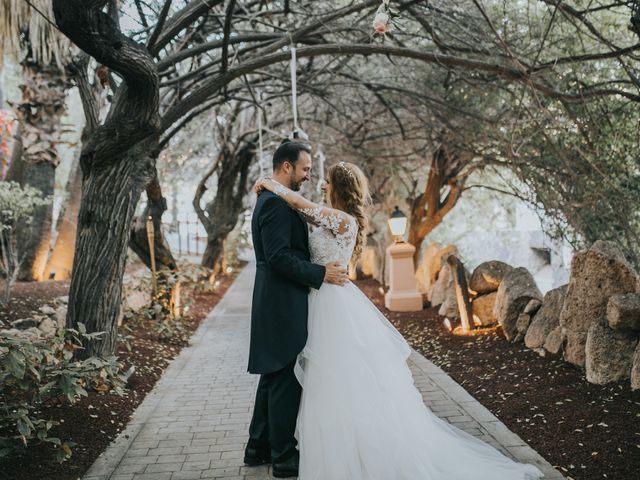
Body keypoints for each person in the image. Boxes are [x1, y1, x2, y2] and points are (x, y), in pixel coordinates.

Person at [252, 161, 545, 480]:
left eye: (326, 182)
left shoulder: (342, 220)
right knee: (326, 375)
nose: (321, 185)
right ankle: (328, 442)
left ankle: (349, 448)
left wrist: (268, 183)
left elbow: (299, 203)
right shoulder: (332, 217)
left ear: (338, 188)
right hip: (321, 297)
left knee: (335, 375)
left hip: (331, 303)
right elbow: (302, 212)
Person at [245, 140, 348, 479]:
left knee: (272, 377)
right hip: (281, 302)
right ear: (286, 167)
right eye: (304, 168)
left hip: (273, 299)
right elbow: (278, 257)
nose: (308, 175)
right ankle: (284, 458)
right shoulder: (274, 204)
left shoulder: (273, 198)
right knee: (285, 380)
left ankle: (257, 448)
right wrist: (321, 273)